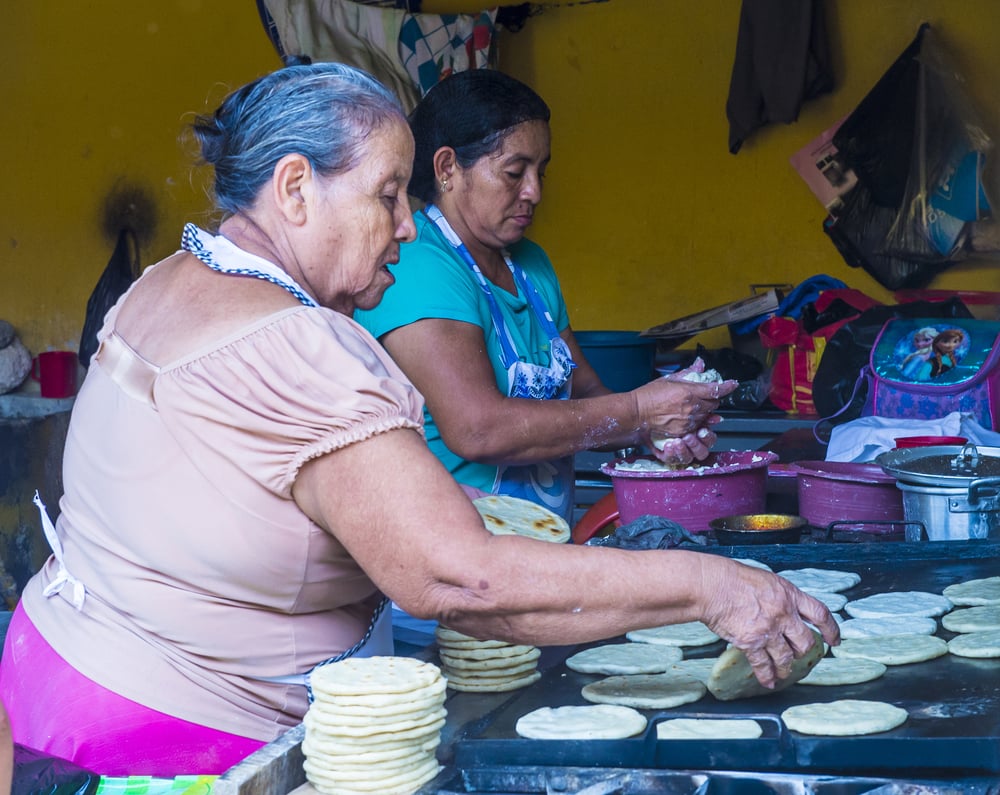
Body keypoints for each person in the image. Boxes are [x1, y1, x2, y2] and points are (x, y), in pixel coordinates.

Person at [0, 62, 837, 777]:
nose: (408, 224)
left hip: (49, 681)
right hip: (173, 739)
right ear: (296, 189)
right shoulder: (303, 348)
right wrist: (713, 585)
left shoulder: (163, 282)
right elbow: (457, 578)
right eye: (389, 194)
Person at [356, 69, 733, 524]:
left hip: (539, 541)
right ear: (447, 168)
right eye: (514, 172)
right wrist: (638, 412)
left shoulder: (530, 264)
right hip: (451, 545)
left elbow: (587, 394)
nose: (534, 192)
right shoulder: (417, 264)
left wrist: (656, 427)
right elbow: (478, 429)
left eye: (541, 171)